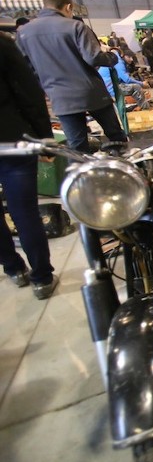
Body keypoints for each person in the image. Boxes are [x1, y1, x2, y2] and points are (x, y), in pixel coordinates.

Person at [16, 0, 128, 153]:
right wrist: (112, 57)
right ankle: (126, 174)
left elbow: (24, 69)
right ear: (68, 7)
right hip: (91, 93)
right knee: (116, 138)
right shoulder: (76, 26)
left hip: (60, 97)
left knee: (77, 148)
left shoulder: (24, 32)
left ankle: (82, 177)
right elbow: (93, 57)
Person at [0, 34, 60, 300]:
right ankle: (41, 278)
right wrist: (44, 137)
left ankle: (14, 269)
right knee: (24, 211)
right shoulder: (2, 43)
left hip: (12, 142)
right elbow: (28, 91)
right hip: (12, 140)